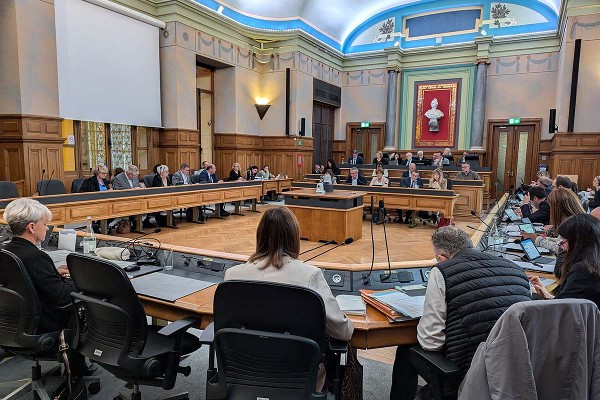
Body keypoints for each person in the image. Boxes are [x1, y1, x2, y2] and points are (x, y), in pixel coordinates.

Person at [390, 226, 531, 400]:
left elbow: (430, 341)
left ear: (441, 257)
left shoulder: (442, 271)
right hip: (518, 365)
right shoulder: (517, 269)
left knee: (406, 350)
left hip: (471, 369)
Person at [224, 207, 354, 391]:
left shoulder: (232, 276)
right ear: (294, 237)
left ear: (259, 236)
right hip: (297, 376)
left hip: (242, 373)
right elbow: (343, 332)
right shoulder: (310, 276)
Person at [2, 198, 95, 376]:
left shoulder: (7, 251)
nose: (46, 228)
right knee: (88, 304)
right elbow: (62, 297)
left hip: (14, 323)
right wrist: (78, 279)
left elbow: (23, 279)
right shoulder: (36, 257)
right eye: (44, 224)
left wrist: (52, 273)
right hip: (43, 325)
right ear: (31, 227)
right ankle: (77, 370)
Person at [530, 214, 600, 309]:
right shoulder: (593, 263)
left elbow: (560, 311)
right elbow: (568, 302)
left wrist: (534, 295)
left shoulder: (582, 270)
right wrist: (547, 295)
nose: (561, 247)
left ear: (577, 242)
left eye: (563, 241)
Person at [520, 187, 585, 255]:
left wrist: (536, 239)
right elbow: (560, 241)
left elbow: (560, 248)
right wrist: (543, 238)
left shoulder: (572, 224)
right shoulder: (574, 219)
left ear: (558, 208)